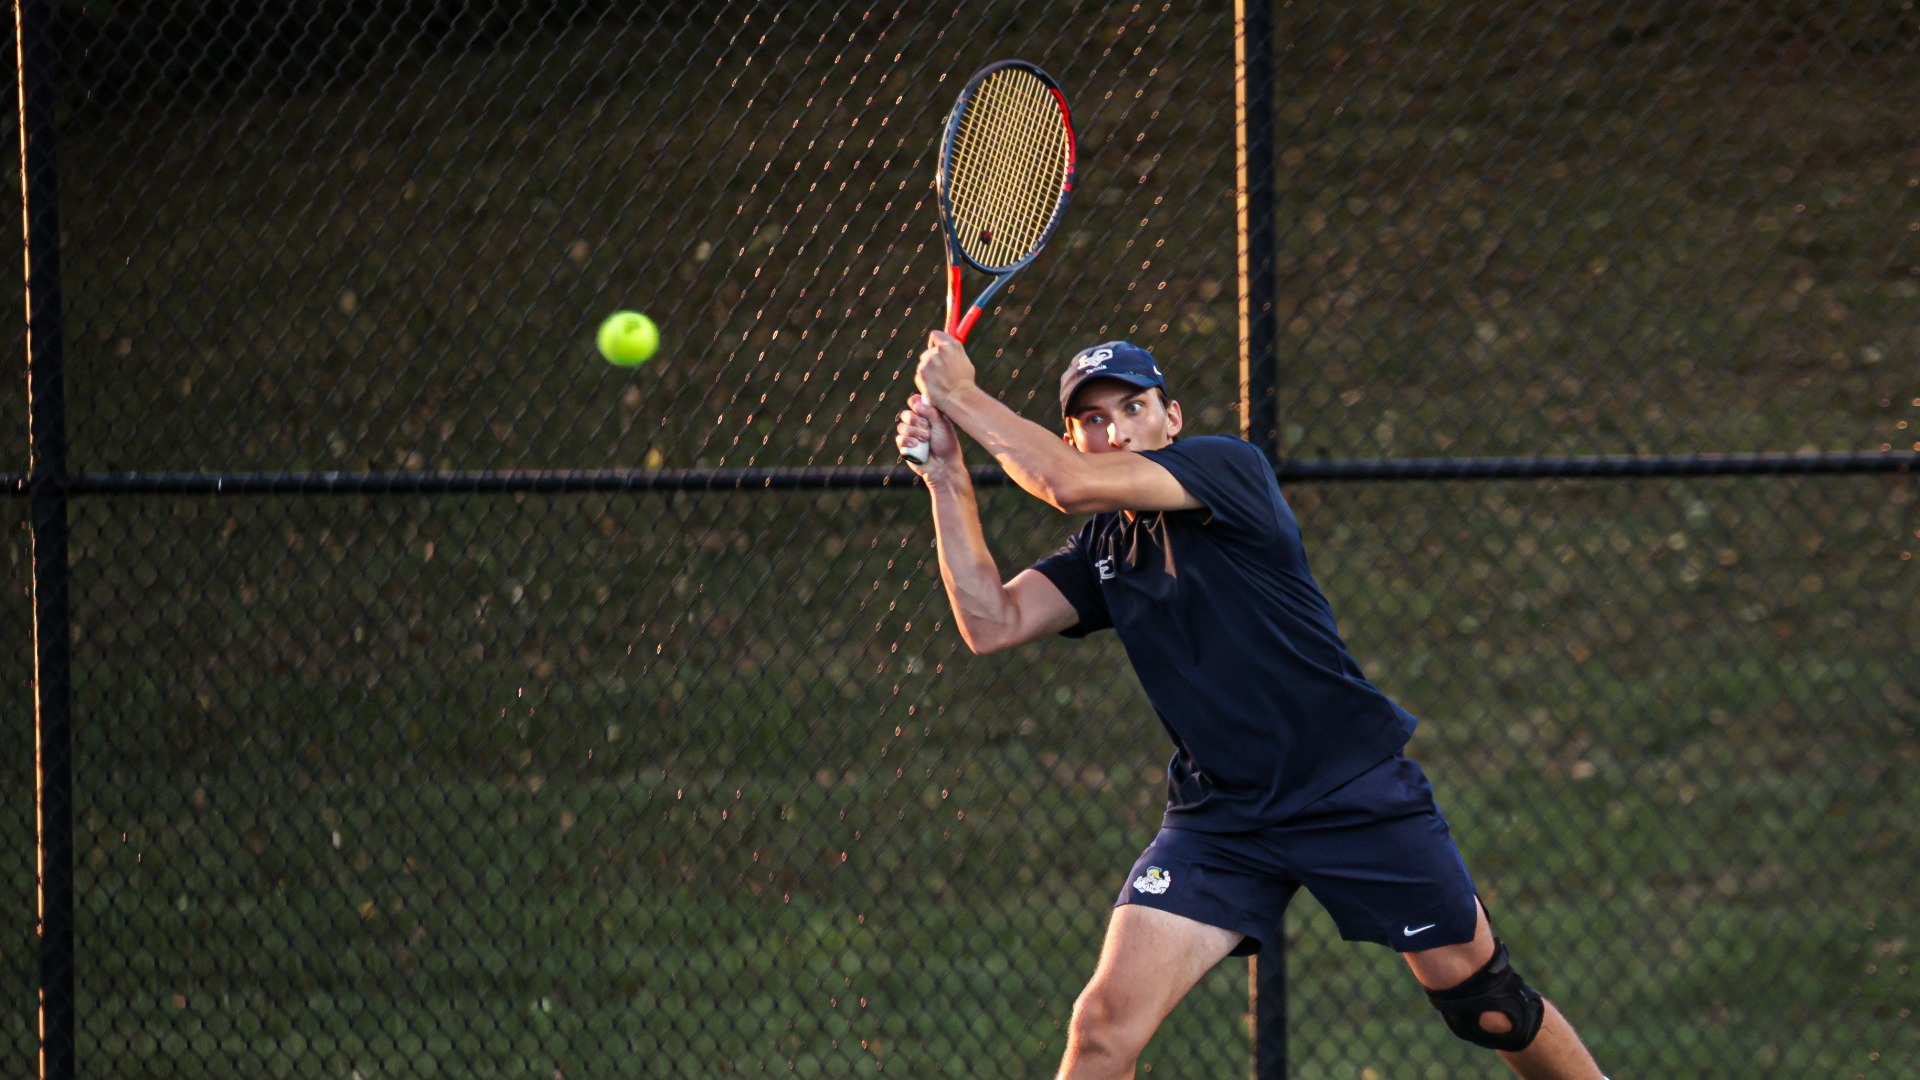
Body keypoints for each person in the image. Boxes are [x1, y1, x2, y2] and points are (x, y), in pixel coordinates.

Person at [895, 330, 1607, 1080]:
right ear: (1075, 434)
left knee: (1485, 1006)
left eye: (1133, 408)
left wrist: (963, 396)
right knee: (1102, 1030)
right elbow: (990, 621)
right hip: (1224, 819)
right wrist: (948, 478)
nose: (1117, 430)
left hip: (1348, 790)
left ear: (1170, 418)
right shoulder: (1104, 549)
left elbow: (1064, 481)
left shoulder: (1227, 469)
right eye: (1094, 421)